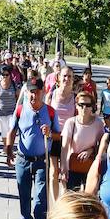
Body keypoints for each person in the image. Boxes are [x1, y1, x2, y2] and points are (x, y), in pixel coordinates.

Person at [6, 78, 61, 219]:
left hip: (42, 160)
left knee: (40, 197)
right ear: (27, 92)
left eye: (36, 92)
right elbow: (12, 131)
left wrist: (50, 133)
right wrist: (8, 150)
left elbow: (59, 136)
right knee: (23, 193)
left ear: (42, 92)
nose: (33, 95)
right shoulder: (20, 110)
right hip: (23, 159)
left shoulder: (50, 112)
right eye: (31, 92)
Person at [60, 91, 105, 191]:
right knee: (72, 199)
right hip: (72, 166)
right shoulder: (71, 122)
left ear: (92, 107)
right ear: (76, 106)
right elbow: (64, 147)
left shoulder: (98, 123)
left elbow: (102, 145)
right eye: (81, 105)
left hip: (90, 165)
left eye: (88, 105)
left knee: (88, 198)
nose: (84, 108)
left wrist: (90, 151)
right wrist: (63, 168)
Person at [46, 66, 76, 201]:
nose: (67, 79)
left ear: (73, 79)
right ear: (58, 78)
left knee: (65, 174)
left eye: (70, 76)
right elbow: (45, 115)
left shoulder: (76, 98)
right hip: (54, 137)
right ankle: (55, 202)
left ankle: (63, 204)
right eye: (64, 76)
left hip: (69, 140)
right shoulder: (51, 95)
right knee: (53, 173)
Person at [0, 65, 20, 154]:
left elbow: (18, 97)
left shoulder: (14, 85)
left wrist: (17, 110)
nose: (5, 76)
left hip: (12, 111)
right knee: (4, 131)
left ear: (10, 75)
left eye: (7, 75)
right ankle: (5, 146)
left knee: (11, 130)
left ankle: (9, 147)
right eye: (3, 75)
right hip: (1, 111)